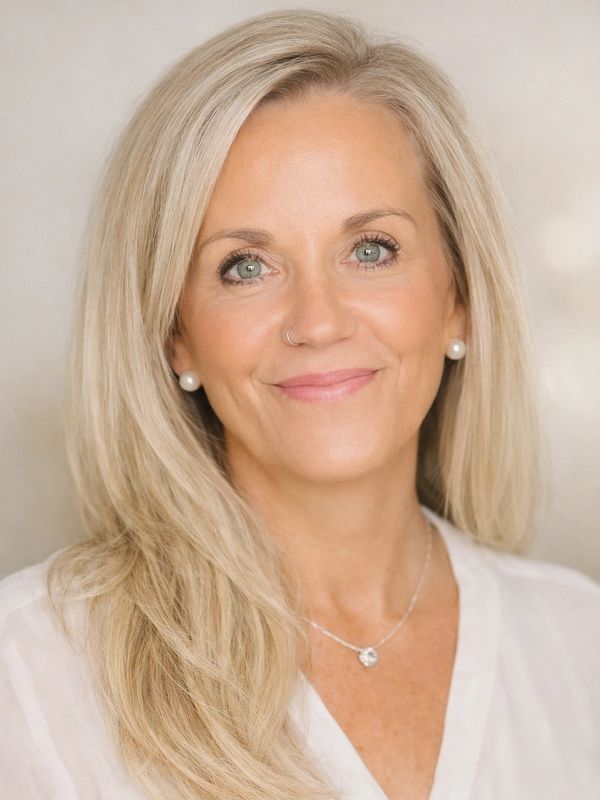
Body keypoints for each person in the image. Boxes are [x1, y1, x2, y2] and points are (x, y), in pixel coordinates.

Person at [1, 8, 598, 800]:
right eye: (245, 266)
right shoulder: (29, 665)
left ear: (458, 299)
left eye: (371, 250)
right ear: (175, 335)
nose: (317, 322)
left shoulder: (579, 642)